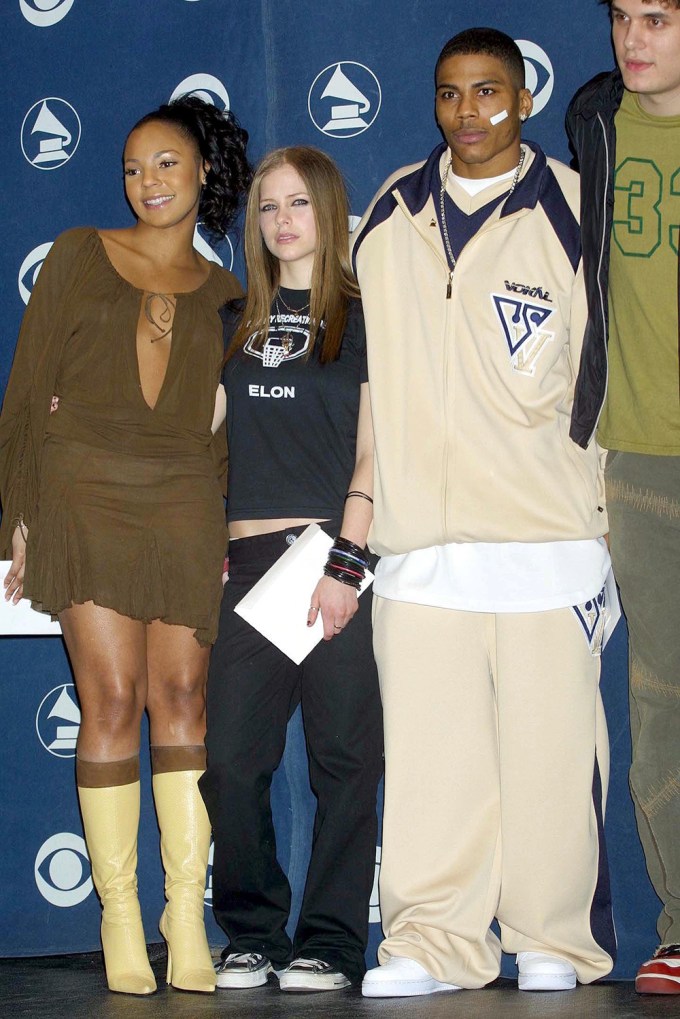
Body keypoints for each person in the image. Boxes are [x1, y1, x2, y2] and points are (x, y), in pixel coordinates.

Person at [352, 28, 617, 998]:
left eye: (488, 91)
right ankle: (431, 941)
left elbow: (611, 374)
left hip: (548, 536)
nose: (468, 112)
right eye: (451, 93)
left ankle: (555, 935)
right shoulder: (387, 210)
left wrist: (599, 513)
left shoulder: (575, 210)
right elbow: (367, 375)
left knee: (552, 758)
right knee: (430, 767)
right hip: (421, 547)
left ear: (523, 98)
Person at [0, 96, 251, 995]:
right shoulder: (76, 253)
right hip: (82, 489)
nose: (148, 182)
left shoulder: (231, 295)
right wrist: (19, 519)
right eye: (134, 168)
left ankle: (186, 913)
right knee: (109, 696)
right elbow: (28, 392)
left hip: (183, 493)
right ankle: (118, 914)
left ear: (204, 174)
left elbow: (231, 427)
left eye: (167, 165)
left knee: (182, 692)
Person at [199, 146, 383, 995]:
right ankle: (250, 931)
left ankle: (335, 941)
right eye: (268, 207)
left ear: (329, 212)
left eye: (299, 204)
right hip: (248, 566)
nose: (281, 221)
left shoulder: (366, 317)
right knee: (233, 761)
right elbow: (189, 436)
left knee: (344, 760)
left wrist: (345, 565)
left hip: (328, 559)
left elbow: (375, 456)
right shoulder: (232, 320)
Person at [566, 0, 680, 996]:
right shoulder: (594, 122)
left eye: (658, 16)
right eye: (619, 16)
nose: (631, 38)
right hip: (640, 462)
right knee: (659, 708)